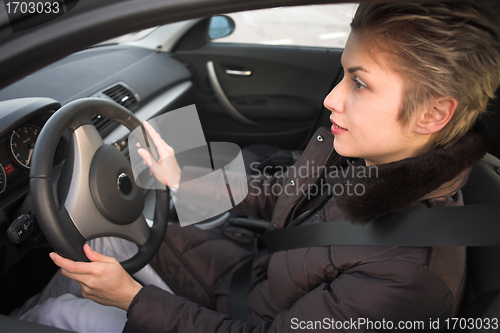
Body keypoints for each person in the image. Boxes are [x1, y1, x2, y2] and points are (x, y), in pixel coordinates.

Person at [12, 0, 500, 331]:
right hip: (249, 275)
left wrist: (131, 300)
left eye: (360, 83)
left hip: (246, 313)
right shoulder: (362, 151)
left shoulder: (408, 279)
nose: (332, 99)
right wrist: (186, 177)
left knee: (61, 309)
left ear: (434, 113)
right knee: (101, 239)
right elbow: (281, 193)